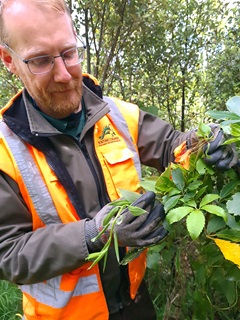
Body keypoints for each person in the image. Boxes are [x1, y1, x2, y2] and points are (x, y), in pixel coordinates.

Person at [0, 1, 237, 319]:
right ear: (8, 60)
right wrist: (91, 235)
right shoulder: (6, 150)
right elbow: (8, 253)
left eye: (69, 53)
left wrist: (205, 142)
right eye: (41, 60)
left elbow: (173, 145)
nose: (63, 73)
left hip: (136, 304)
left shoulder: (119, 116)